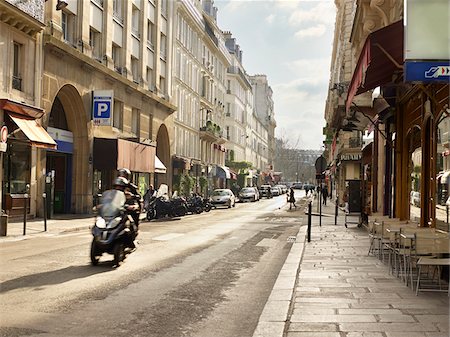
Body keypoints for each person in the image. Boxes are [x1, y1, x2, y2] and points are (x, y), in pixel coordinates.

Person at [113, 176, 140, 248]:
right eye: (117, 186)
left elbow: (137, 199)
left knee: (130, 222)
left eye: (120, 187)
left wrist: (132, 203)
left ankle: (132, 238)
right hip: (115, 212)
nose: (118, 188)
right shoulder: (114, 193)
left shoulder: (129, 191)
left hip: (126, 211)